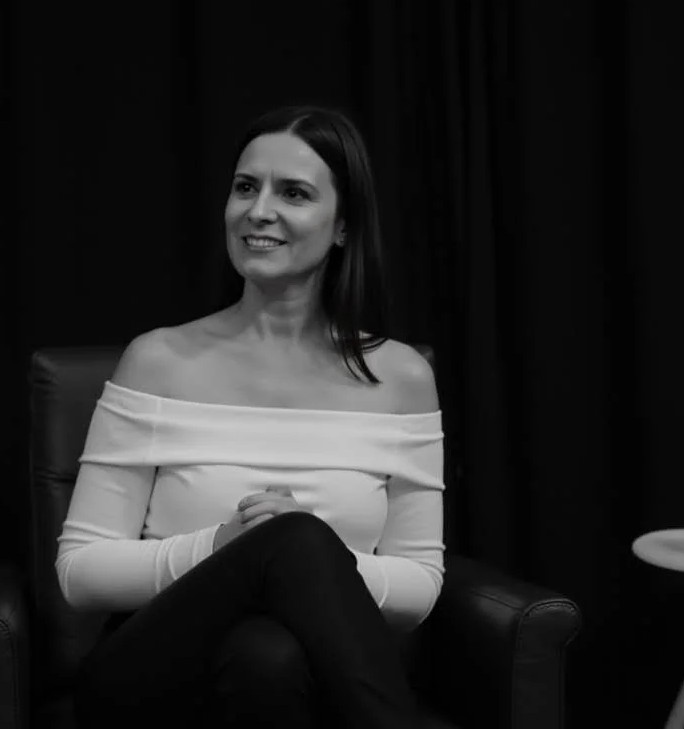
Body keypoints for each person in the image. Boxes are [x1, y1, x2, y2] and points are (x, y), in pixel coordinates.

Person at [56, 105, 445, 728]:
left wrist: (304, 560)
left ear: (343, 226)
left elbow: (419, 586)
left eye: (293, 193)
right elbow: (81, 574)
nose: (258, 211)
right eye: (245, 187)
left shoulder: (401, 378)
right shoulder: (157, 360)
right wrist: (226, 546)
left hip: (310, 679)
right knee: (291, 539)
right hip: (147, 678)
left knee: (268, 654)